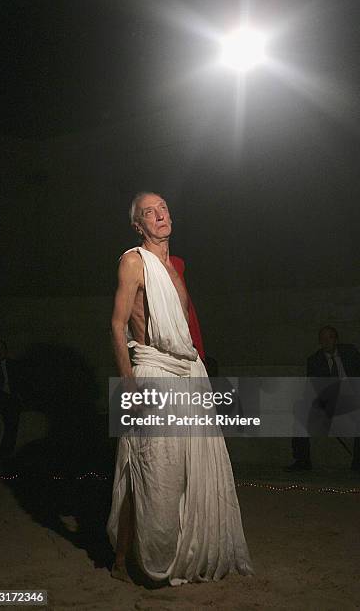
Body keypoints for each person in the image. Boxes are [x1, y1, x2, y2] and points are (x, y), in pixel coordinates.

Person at [107, 192, 253, 584]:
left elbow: (187, 331)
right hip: (153, 371)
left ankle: (184, 552)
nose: (159, 216)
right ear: (138, 225)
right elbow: (118, 324)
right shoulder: (133, 261)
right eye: (148, 213)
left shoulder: (175, 267)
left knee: (193, 469)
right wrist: (130, 384)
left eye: (163, 209)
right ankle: (123, 560)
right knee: (148, 468)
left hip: (189, 374)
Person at [286, 326, 360, 472]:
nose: (327, 342)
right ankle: (302, 460)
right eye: (323, 339)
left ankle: (358, 462)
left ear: (336, 339)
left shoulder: (350, 353)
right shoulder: (315, 360)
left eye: (330, 337)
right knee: (301, 409)